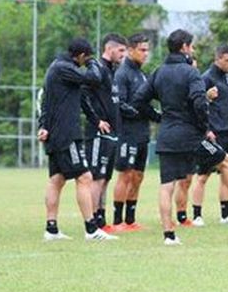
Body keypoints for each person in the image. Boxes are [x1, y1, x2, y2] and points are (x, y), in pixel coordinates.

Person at [132, 29, 228, 245]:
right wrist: (202, 127)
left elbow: (138, 101)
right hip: (191, 135)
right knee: (227, 162)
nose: (192, 50)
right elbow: (198, 101)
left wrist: (159, 117)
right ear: (184, 47)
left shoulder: (158, 72)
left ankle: (169, 235)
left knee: (167, 185)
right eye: (191, 46)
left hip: (167, 136)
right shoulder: (191, 72)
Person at [37, 38, 117, 241]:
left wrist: (96, 121)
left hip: (56, 133)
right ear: (81, 56)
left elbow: (79, 99)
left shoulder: (61, 69)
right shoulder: (63, 68)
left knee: (57, 179)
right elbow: (95, 78)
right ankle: (91, 229)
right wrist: (92, 62)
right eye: (86, 58)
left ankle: (51, 229)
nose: (86, 61)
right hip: (66, 134)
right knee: (85, 177)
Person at [190, 44, 228, 226]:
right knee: (203, 176)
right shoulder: (206, 78)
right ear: (217, 59)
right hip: (213, 134)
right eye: (227, 60)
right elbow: (197, 105)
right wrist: (207, 129)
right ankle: (197, 215)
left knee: (227, 174)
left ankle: (226, 215)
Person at [110, 33, 159, 231]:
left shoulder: (142, 74)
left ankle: (130, 220)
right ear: (131, 50)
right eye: (142, 50)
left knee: (138, 176)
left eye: (147, 50)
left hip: (142, 133)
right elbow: (119, 104)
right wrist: (136, 112)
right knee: (126, 175)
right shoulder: (122, 74)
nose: (146, 54)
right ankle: (117, 221)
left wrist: (159, 117)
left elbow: (145, 104)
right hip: (127, 133)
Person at [81, 33, 127, 231]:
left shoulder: (111, 71)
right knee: (97, 177)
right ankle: (92, 223)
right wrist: (96, 120)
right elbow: (83, 96)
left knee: (105, 178)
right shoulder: (97, 70)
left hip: (112, 132)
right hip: (98, 133)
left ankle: (101, 219)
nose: (123, 55)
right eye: (121, 50)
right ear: (109, 49)